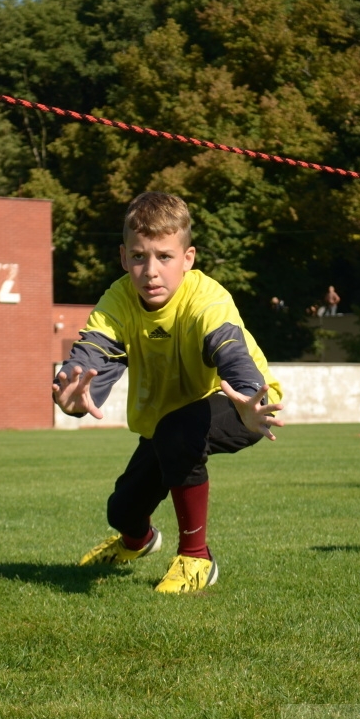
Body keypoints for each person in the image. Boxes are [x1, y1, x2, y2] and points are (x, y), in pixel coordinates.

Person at [53, 191, 285, 593]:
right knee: (121, 509)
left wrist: (249, 397)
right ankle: (136, 541)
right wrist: (72, 388)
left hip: (242, 403)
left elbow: (230, 352)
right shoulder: (118, 300)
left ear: (188, 258)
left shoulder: (208, 300)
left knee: (179, 432)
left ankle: (197, 558)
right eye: (139, 257)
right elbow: (92, 352)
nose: (151, 271)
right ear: (124, 258)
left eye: (164, 256)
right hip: (166, 421)